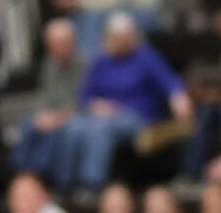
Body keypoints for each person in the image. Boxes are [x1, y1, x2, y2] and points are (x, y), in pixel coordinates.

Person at [55, 13, 192, 193]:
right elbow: (84, 97)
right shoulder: (100, 62)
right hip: (100, 115)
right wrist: (97, 105)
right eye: (114, 37)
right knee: (72, 127)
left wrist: (178, 97)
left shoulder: (146, 57)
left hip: (136, 116)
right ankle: (64, 185)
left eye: (125, 36)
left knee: (100, 130)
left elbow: (170, 82)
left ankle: (92, 186)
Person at [10, 18, 83, 181]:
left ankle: (39, 175)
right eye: (51, 45)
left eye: (59, 44)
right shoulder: (49, 67)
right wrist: (42, 115)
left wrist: (60, 116)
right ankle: (20, 171)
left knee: (57, 131)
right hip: (54, 114)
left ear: (71, 43)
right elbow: (45, 97)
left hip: (75, 116)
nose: (53, 49)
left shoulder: (85, 65)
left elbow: (86, 100)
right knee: (29, 122)